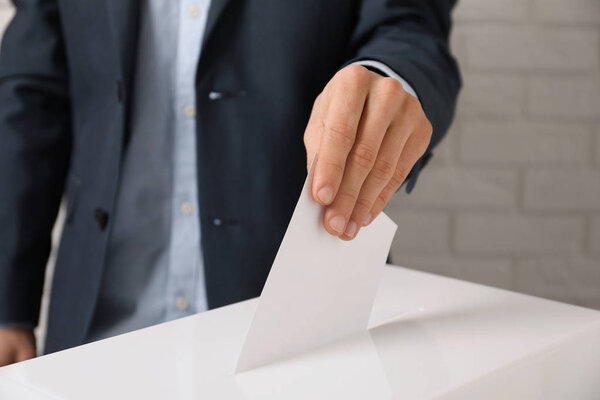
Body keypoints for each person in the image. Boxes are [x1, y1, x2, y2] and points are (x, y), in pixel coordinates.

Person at [0, 0, 460, 366]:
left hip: (295, 331)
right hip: (97, 337)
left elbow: (408, 24)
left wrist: (391, 79)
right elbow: (31, 99)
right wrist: (8, 303)